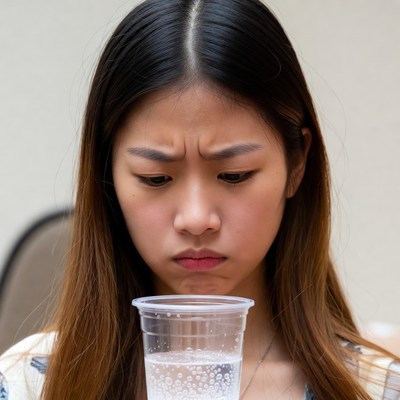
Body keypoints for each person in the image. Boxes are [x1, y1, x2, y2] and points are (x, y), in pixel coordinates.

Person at [0, 0, 399, 399]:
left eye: (234, 175)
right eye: (155, 178)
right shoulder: (28, 384)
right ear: (107, 175)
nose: (195, 219)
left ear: (296, 165)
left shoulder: (372, 388)